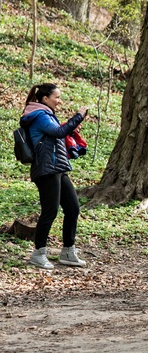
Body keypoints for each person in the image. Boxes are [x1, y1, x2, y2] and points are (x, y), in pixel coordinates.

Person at [20, 83, 88, 269]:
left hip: (57, 167)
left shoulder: (45, 115)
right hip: (46, 169)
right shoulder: (39, 115)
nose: (59, 101)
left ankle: (68, 251)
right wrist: (78, 116)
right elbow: (58, 132)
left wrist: (70, 125)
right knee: (50, 211)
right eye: (56, 97)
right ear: (45, 99)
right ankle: (38, 253)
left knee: (73, 208)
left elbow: (57, 133)